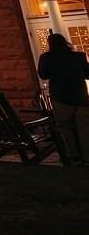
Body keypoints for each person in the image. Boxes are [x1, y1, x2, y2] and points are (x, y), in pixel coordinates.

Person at [38, 32, 89, 166]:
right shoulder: (79, 56)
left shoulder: (46, 57)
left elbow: (43, 75)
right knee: (84, 127)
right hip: (80, 96)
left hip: (59, 96)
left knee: (65, 127)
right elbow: (88, 74)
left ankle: (74, 155)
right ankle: (87, 156)